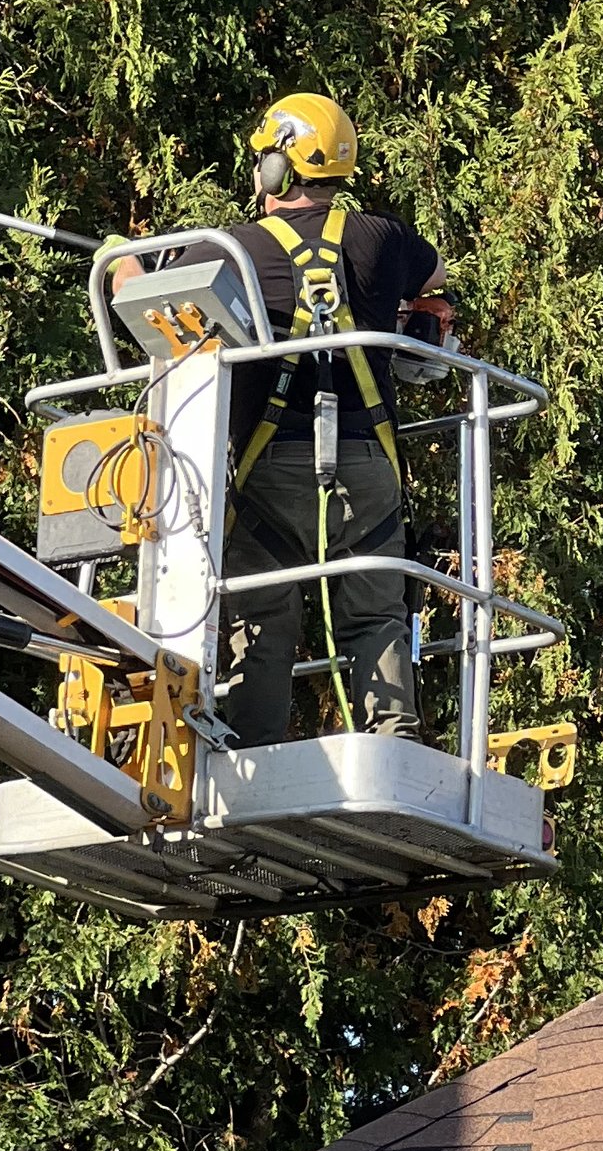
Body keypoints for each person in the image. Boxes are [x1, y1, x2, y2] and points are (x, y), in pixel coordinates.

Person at [115, 92, 455, 748]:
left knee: (265, 619)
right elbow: (436, 276)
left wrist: (123, 257)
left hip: (271, 473)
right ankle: (396, 746)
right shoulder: (382, 239)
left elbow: (143, 304)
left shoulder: (231, 251)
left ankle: (256, 749)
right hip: (368, 468)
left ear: (278, 169)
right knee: (377, 614)